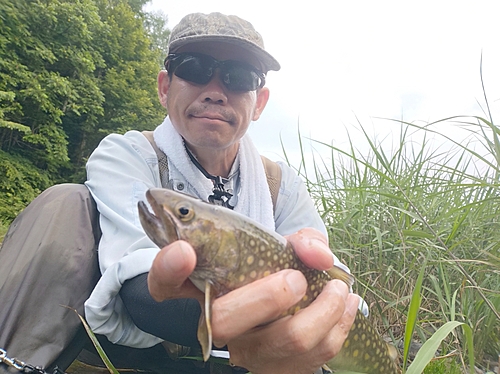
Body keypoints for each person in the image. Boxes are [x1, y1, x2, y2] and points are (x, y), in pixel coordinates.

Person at [84, 12, 361, 374]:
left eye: (238, 76)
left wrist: (330, 309)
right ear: (165, 87)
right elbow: (134, 280)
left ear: (259, 102)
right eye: (194, 68)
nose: (215, 91)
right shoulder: (126, 156)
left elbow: (334, 287)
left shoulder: (284, 185)